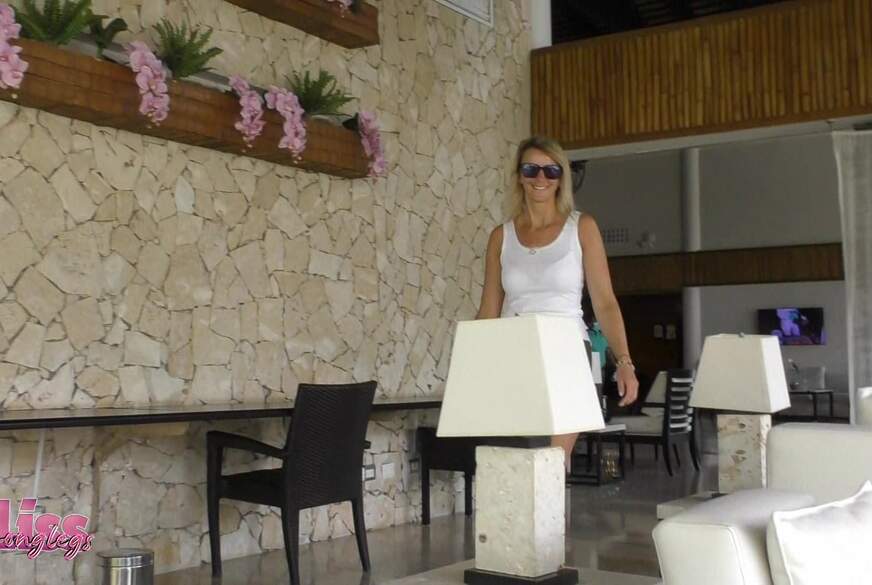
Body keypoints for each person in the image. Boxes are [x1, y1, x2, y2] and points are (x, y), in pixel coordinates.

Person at [476, 135, 639, 469]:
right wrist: (472, 366)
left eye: (551, 170)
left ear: (561, 178)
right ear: (519, 175)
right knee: (514, 464)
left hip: (567, 352)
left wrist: (624, 361)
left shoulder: (582, 227)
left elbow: (605, 302)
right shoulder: (500, 237)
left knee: (552, 463)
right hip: (513, 351)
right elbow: (488, 310)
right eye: (531, 169)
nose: (541, 178)